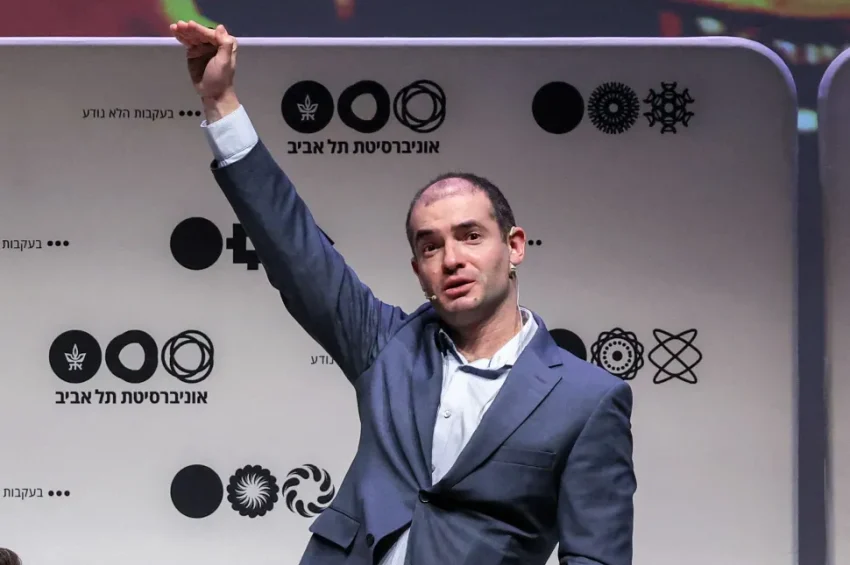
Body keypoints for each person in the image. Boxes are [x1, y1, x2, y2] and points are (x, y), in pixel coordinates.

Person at [171, 20, 636, 565]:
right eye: (431, 246)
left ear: (514, 246)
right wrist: (221, 102)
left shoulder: (587, 398)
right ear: (418, 270)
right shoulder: (386, 345)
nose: (452, 258)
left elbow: (595, 558)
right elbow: (294, 250)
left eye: (470, 236)